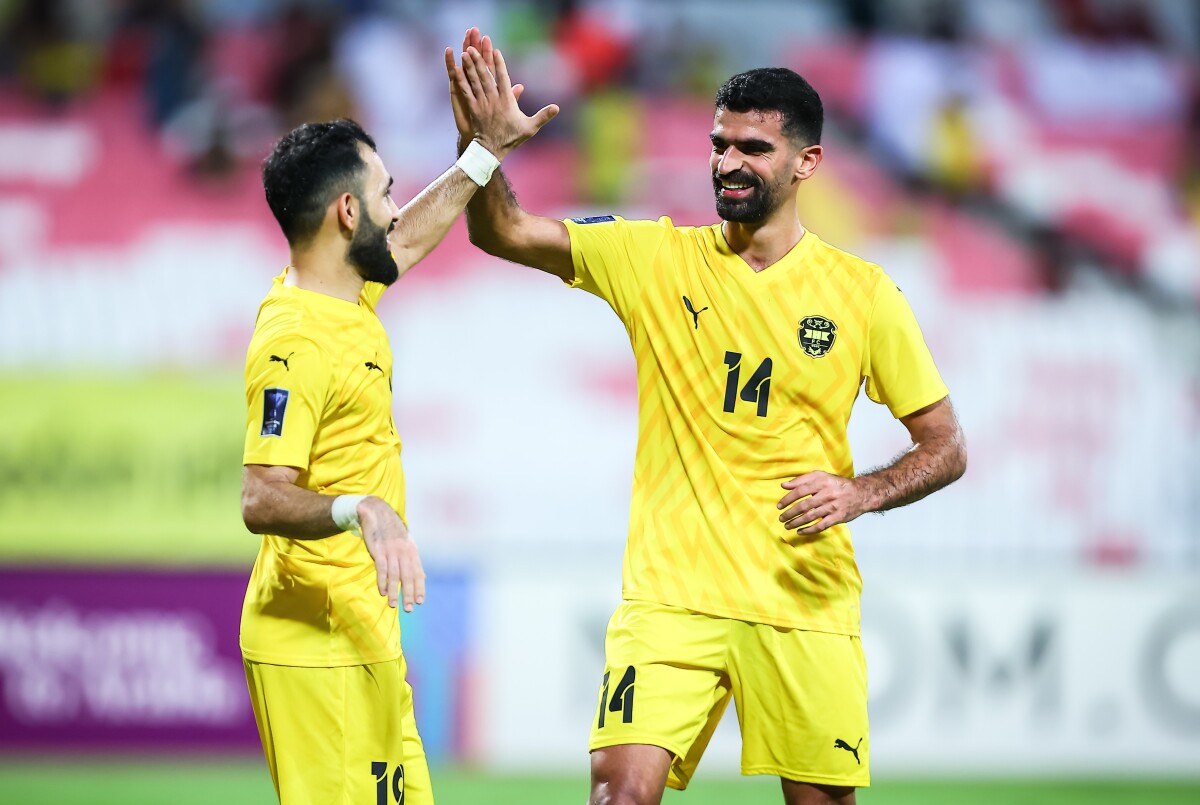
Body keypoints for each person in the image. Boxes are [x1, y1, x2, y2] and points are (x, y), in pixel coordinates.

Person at [447, 30, 967, 805]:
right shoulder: (655, 257)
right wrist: (481, 149)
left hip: (802, 599)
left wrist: (860, 492)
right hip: (670, 600)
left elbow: (946, 445)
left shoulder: (863, 294)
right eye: (720, 144)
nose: (728, 163)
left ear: (807, 162)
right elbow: (503, 231)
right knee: (618, 795)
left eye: (753, 148)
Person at [238, 51, 557, 805]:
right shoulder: (295, 342)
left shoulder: (344, 294)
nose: (394, 206)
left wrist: (484, 153)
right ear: (347, 213)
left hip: (359, 631)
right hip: (316, 648)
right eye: (384, 192)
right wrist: (362, 509)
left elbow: (407, 237)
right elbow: (260, 495)